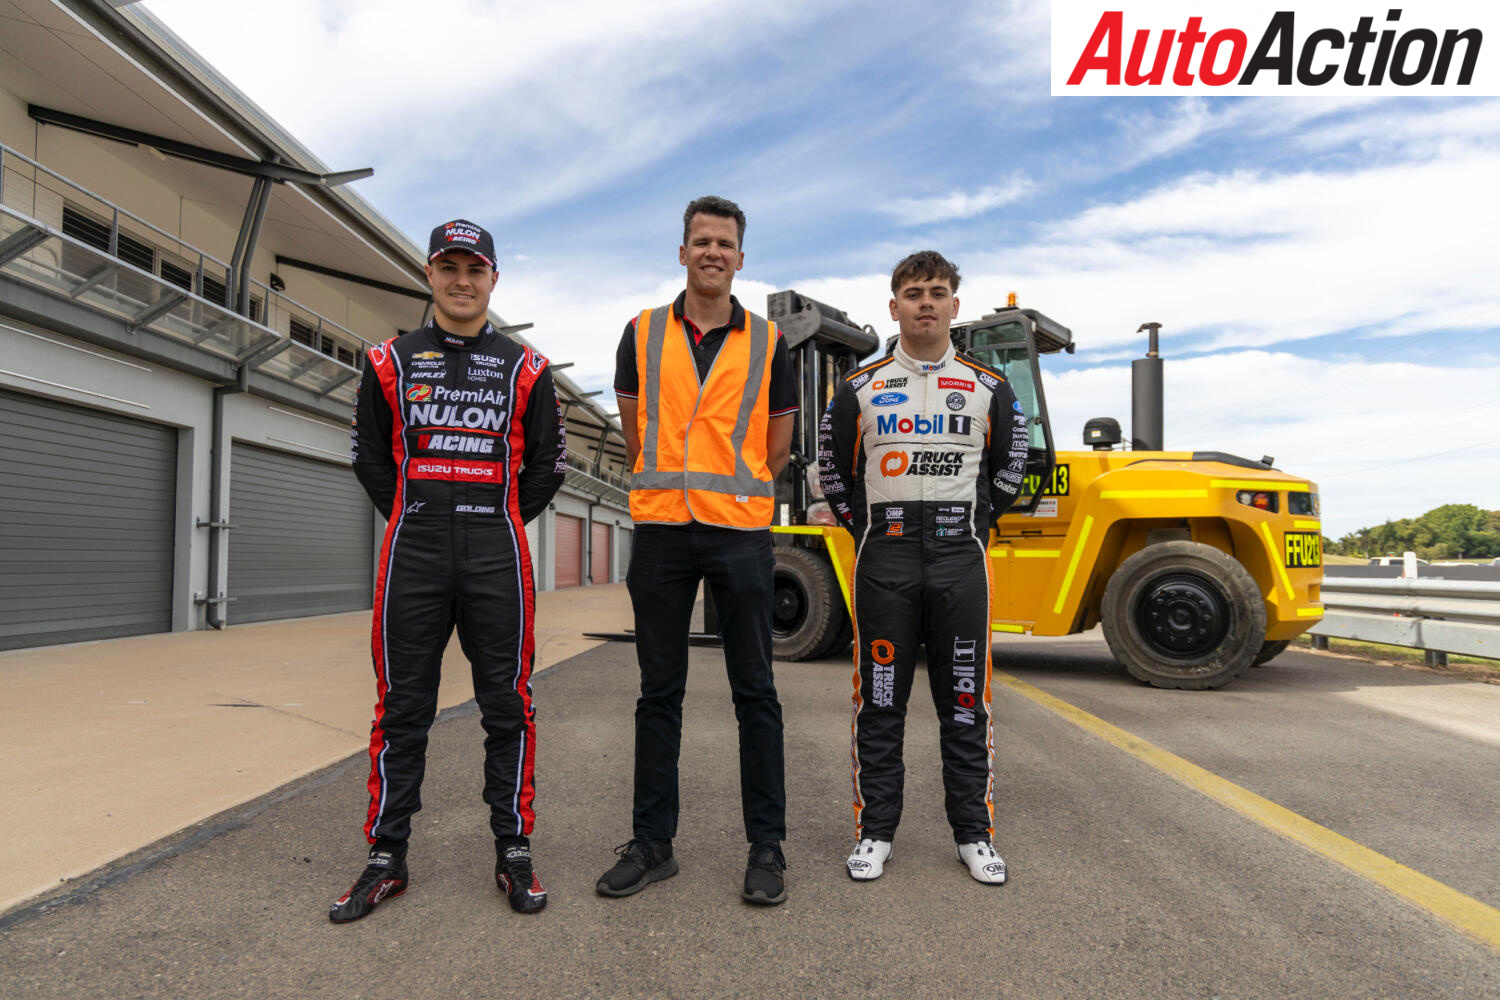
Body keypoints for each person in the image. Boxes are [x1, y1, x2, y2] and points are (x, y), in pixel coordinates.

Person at [333, 219, 566, 922]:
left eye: (476, 268)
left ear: (494, 279)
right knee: (402, 709)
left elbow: (549, 465)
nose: (462, 281)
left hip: (496, 548)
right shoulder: (388, 361)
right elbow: (368, 457)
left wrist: (491, 512)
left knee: (509, 706)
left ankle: (514, 850)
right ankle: (385, 856)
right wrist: (416, 509)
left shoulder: (528, 368)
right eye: (449, 267)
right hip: (416, 549)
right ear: (430, 275)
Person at [597, 195, 798, 906]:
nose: (713, 251)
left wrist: (735, 489)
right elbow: (634, 428)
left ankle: (766, 848)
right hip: (661, 529)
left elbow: (778, 443)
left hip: (740, 531)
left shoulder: (771, 342)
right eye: (701, 241)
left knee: (756, 692)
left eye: (725, 243)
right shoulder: (642, 332)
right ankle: (653, 844)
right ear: (682, 253)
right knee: (660, 692)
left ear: (741, 258)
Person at [817, 250, 1028, 885]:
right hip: (884, 557)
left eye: (938, 292)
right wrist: (872, 527)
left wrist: (973, 524)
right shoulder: (859, 386)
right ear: (895, 307)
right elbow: (834, 474)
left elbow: (1011, 471)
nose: (927, 302)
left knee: (965, 701)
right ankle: (875, 831)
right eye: (914, 293)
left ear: (955, 306)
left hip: (961, 557)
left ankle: (974, 833)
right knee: (880, 699)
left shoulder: (990, 387)